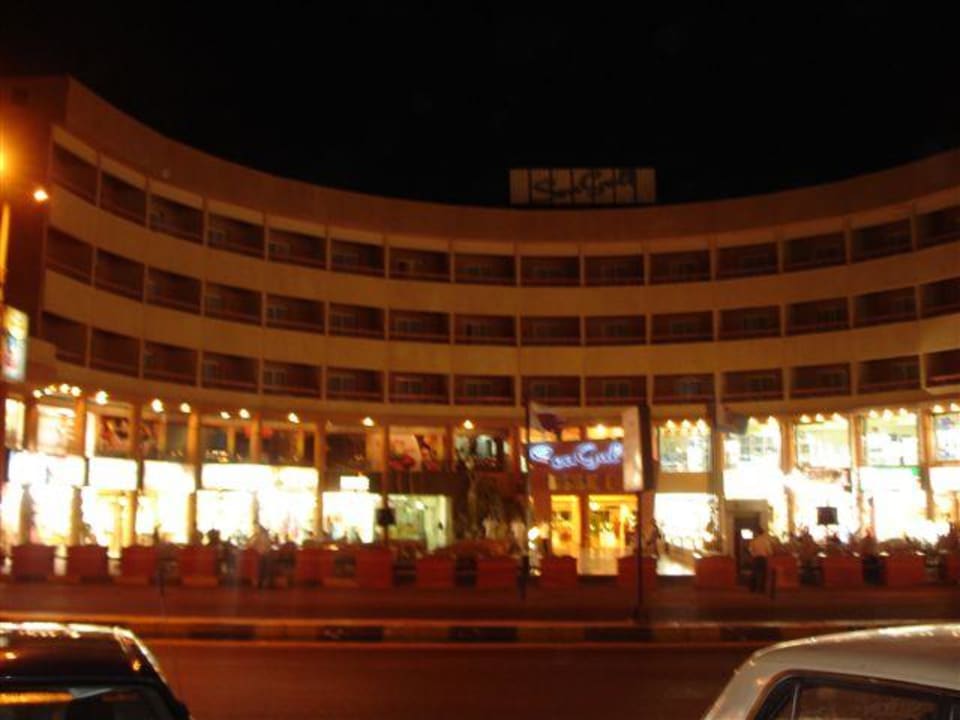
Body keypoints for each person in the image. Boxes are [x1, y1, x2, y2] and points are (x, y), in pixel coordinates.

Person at [748, 528, 774, 593]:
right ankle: (761, 589)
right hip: (763, 559)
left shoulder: (754, 541)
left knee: (755, 573)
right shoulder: (765, 541)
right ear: (763, 533)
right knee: (763, 573)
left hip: (756, 558)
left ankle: (754, 589)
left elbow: (750, 550)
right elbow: (770, 552)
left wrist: (753, 554)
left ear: (757, 533)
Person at [248, 524, 273, 589]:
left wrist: (258, 550)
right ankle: (263, 583)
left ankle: (259, 582)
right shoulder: (264, 536)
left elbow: (251, 544)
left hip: (260, 555)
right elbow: (269, 545)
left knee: (260, 569)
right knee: (264, 569)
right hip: (263, 554)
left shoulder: (258, 536)